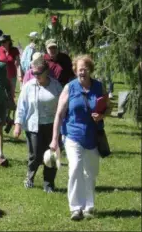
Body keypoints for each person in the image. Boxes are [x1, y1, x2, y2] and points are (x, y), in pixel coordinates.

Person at [49, 55, 111, 221]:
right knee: (75, 168)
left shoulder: (98, 86)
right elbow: (60, 114)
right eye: (79, 69)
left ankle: (89, 207)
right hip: (72, 134)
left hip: (93, 136)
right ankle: (75, 208)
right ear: (75, 70)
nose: (82, 71)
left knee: (90, 173)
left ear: (90, 69)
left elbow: (108, 107)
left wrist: (102, 115)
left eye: (85, 68)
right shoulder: (70, 87)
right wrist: (55, 139)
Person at [14, 56, 62, 193]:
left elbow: (64, 105)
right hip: (33, 126)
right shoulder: (28, 86)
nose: (35, 76)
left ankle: (49, 184)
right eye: (33, 73)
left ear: (46, 71)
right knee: (35, 155)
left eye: (38, 73)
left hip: (52, 125)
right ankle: (30, 176)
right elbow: (21, 106)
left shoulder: (56, 86)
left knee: (52, 155)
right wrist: (18, 124)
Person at [0, 34, 21, 100]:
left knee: (11, 94)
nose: (2, 44)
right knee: (2, 94)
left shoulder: (14, 50)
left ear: (9, 42)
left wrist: (19, 75)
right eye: (1, 42)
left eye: (4, 42)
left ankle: (11, 107)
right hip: (1, 76)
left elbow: (18, 64)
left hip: (12, 75)